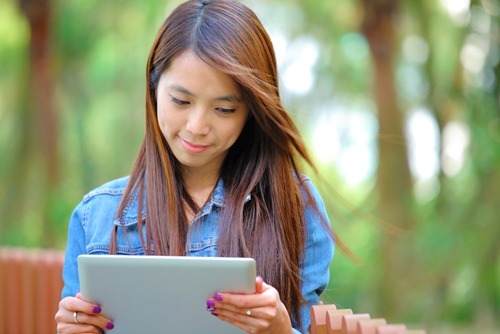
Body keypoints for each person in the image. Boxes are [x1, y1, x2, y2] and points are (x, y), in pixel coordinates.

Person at [55, 0, 334, 333]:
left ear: (252, 113)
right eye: (181, 101)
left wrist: (280, 330)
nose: (197, 126)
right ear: (154, 88)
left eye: (224, 109)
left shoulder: (294, 207)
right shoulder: (95, 217)